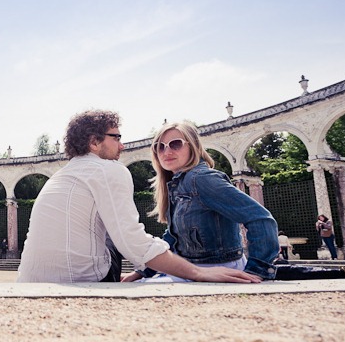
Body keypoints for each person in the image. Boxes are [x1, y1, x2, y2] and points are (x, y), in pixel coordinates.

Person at [17, 110, 261, 283]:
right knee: (115, 235)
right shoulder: (109, 170)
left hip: (28, 278)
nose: (122, 146)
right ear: (94, 142)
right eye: (117, 137)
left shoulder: (62, 174)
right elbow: (131, 241)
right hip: (81, 277)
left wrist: (144, 271)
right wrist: (198, 273)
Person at [125, 121, 279, 282]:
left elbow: (261, 218)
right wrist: (143, 271)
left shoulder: (201, 179)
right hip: (193, 269)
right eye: (160, 146)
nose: (167, 151)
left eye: (175, 144)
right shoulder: (177, 184)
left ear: (193, 147)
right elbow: (173, 236)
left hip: (216, 268)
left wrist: (258, 271)